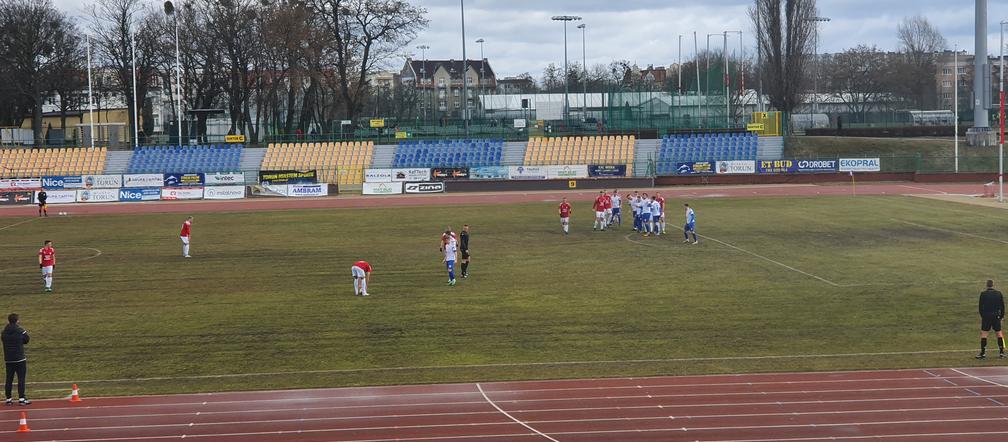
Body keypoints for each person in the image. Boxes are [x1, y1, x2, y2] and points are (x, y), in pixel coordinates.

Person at [2, 313, 30, 406]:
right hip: (20, 358)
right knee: (21, 379)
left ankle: (8, 399)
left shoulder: (4, 331)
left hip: (8, 359)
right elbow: (27, 339)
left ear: (9, 321)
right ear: (17, 320)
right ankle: (21, 398)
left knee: (9, 379)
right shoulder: (20, 330)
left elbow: (3, 339)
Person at [976, 280, 1005, 359]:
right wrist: (1001, 316)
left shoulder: (983, 294)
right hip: (996, 316)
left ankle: (983, 353)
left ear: (987, 285)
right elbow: (1002, 306)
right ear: (993, 285)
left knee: (984, 334)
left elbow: (980, 307)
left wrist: (983, 316)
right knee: (999, 333)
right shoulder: (998, 293)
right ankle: (1001, 352)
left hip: (986, 316)